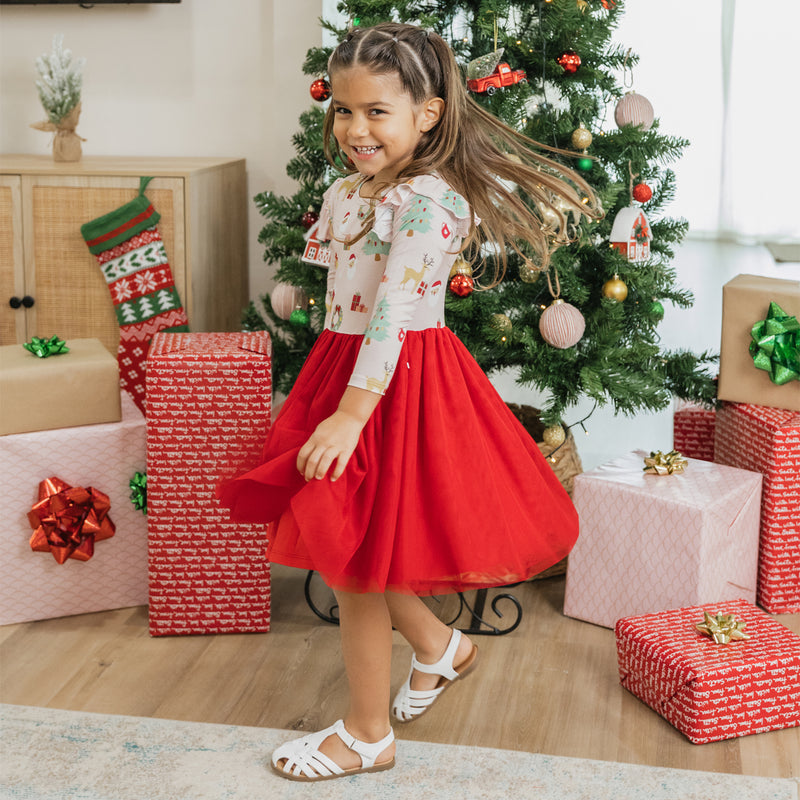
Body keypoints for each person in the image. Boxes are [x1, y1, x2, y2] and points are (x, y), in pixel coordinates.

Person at [218, 21, 602, 782]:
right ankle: (439, 645)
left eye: (377, 112)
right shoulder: (346, 190)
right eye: (343, 110)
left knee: (355, 557)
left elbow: (394, 314)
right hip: (344, 368)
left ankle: (368, 735)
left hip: (394, 384)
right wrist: (330, 395)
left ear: (427, 114)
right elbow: (347, 303)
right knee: (363, 541)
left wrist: (350, 414)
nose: (355, 129)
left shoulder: (430, 202)